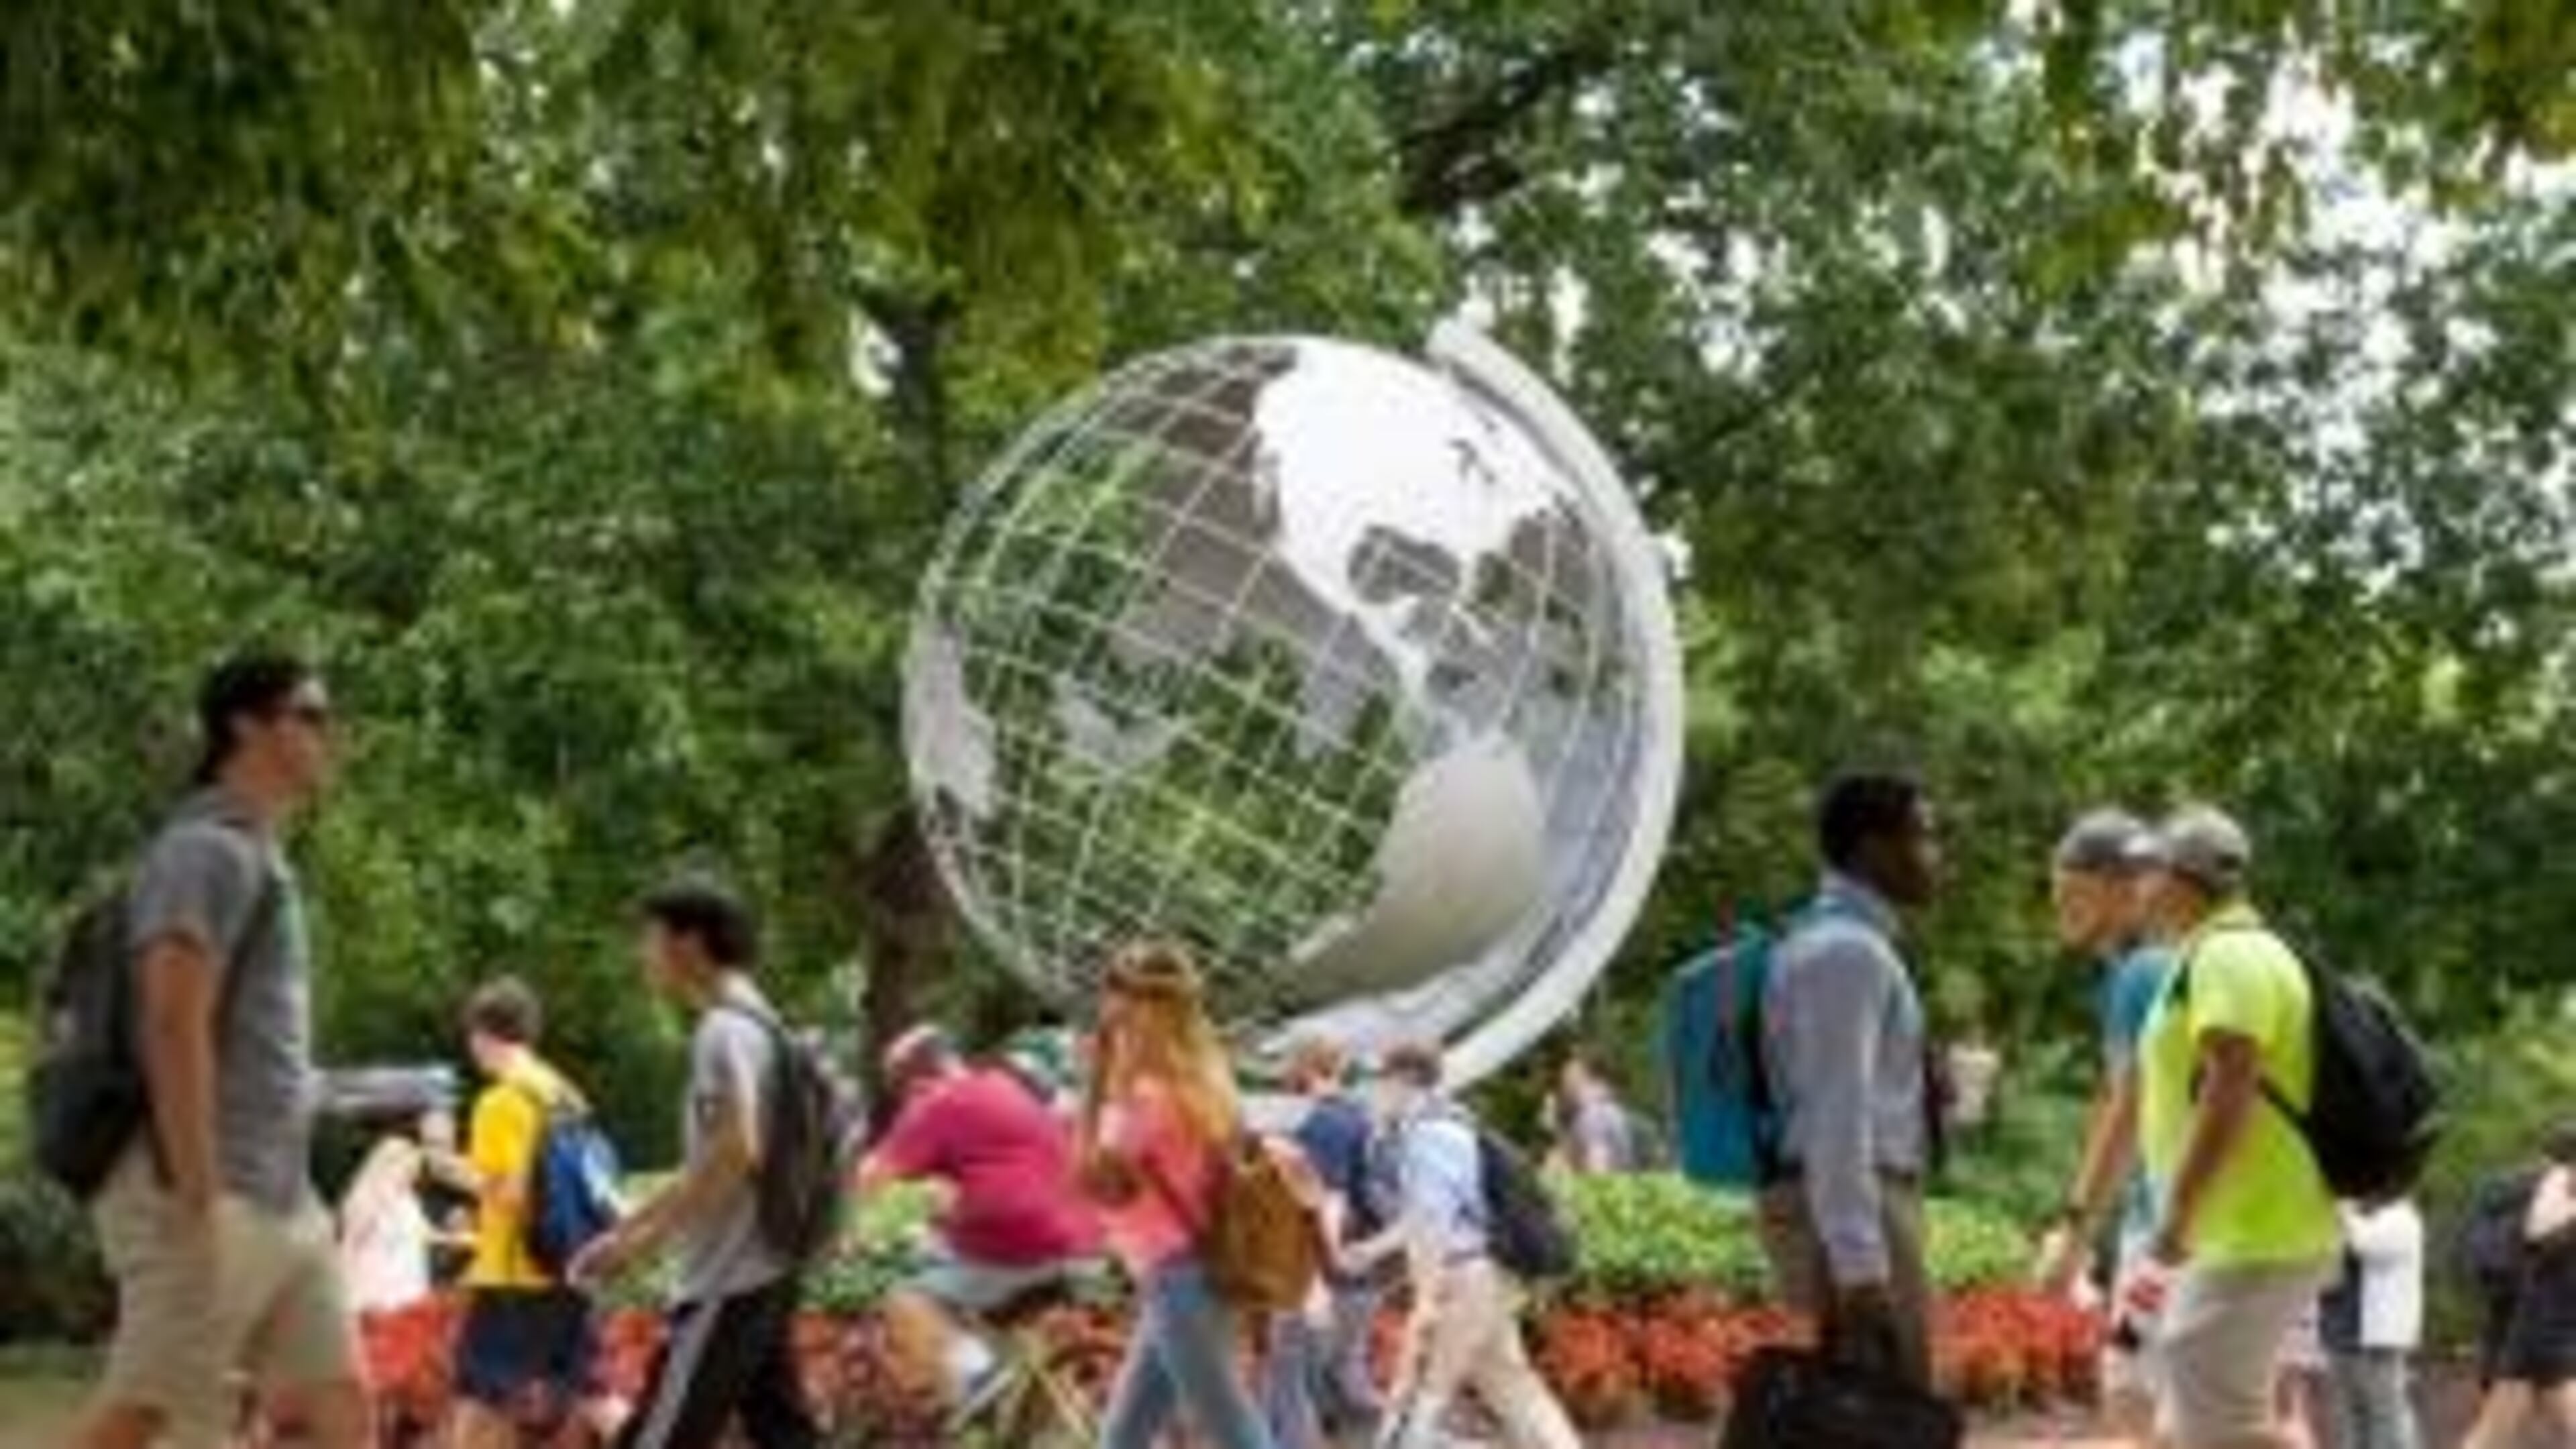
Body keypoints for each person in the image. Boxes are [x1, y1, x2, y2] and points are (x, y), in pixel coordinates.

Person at [80, 653, 372, 1449]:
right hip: (207, 1189)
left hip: (281, 1190)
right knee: (144, 1413)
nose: (329, 736)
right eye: (310, 717)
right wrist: (202, 1198)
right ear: (246, 726)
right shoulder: (205, 851)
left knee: (341, 1409)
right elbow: (172, 1024)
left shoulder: (259, 855)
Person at [569, 879, 819, 1449]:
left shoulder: (723, 1030)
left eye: (649, 939)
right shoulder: (763, 1022)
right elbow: (716, 1158)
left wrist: (641, 1243)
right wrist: (628, 1228)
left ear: (690, 942)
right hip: (768, 1264)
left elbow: (736, 1152)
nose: (643, 955)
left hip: (728, 1276)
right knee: (785, 1433)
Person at [2130, 806, 2341, 1449]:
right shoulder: (2231, 952)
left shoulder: (2228, 957)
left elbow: (2230, 1093)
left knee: (2214, 1418)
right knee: (2192, 1417)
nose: (2139, 881)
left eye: (2149, 868)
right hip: (2247, 1231)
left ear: (2181, 878)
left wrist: (2176, 1220)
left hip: (2253, 1231)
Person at [1756, 771, 1945, 1390]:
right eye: (1923, 838)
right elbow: (1837, 1118)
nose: (1935, 858)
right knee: (1891, 1413)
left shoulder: (1843, 944)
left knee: (1863, 1420)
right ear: (1873, 849)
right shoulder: (1846, 954)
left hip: (1853, 1202)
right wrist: (1860, 1268)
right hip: (1856, 1211)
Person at [1075, 941, 1280, 1449]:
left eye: (1113, 1000)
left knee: (1235, 1429)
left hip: (1178, 1282)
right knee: (1123, 1437)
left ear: (1139, 1010)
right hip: (1192, 1272)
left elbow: (1091, 1178)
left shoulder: (1149, 1100)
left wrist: (1096, 1077)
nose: (1105, 1014)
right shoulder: (1206, 1083)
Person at [855, 1022, 1104, 1411]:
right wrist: (947, 1215)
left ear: (915, 1081)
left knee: (907, 1299)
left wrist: (828, 1222)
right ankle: (1024, 1410)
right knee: (996, 1317)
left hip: (1024, 1245)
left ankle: (977, 1379)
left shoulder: (937, 1102)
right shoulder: (1005, 1085)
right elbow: (1005, 1165)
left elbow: (870, 1178)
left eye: (900, 1090)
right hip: (1085, 1238)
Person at [421, 976, 626, 1446]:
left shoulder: (500, 1102)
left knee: (478, 1393)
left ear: (481, 1033)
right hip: (570, 1263)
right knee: (594, 1391)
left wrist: (441, 1160)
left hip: (516, 1275)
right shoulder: (563, 1091)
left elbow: (511, 1195)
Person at [1353, 1042, 1581, 1449]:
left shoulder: (1429, 1135)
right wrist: (1371, 1250)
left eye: (1377, 1080)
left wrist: (1425, 1295)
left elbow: (1432, 1221)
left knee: (1417, 1406)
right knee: (1511, 1385)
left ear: (1403, 1081)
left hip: (1464, 1279)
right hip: (1482, 1274)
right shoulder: (1445, 1124)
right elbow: (1424, 1216)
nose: (1371, 1090)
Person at [2030, 808, 2174, 1431]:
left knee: (2129, 1414)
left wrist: (2073, 1237)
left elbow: (2126, 1113)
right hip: (2223, 1230)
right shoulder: (2184, 960)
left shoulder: (2143, 973)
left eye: (2072, 886)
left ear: (2123, 884)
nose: (2058, 900)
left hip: (2167, 1231)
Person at [1259, 1037, 1388, 1448]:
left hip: (1328, 1271)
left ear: (1307, 1068)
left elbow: (1329, 1202)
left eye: (1289, 1064)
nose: (1283, 1074)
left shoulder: (1326, 1123)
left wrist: (1315, 1279)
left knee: (1290, 1371)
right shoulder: (1359, 1115)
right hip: (1364, 1272)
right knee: (1340, 1378)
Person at [2463, 1124, 2576, 1449]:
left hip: (2537, 1329)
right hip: (2548, 1333)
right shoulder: (2555, 1188)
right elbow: (2538, 1233)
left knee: (2489, 1436)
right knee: (2490, 1437)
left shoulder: (2522, 1186)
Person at [2321, 1197, 2426, 1449]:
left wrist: (2342, 1212)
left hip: (2378, 1340)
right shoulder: (2350, 1221)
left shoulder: (2400, 1215)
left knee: (2385, 1418)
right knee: (2350, 1417)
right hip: (2339, 1334)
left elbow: (2367, 1245)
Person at [1549, 1052, 1641, 1175]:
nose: (1564, 1087)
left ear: (1583, 1078)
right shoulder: (1612, 1110)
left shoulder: (1592, 1116)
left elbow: (1599, 1167)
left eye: (1568, 1079)